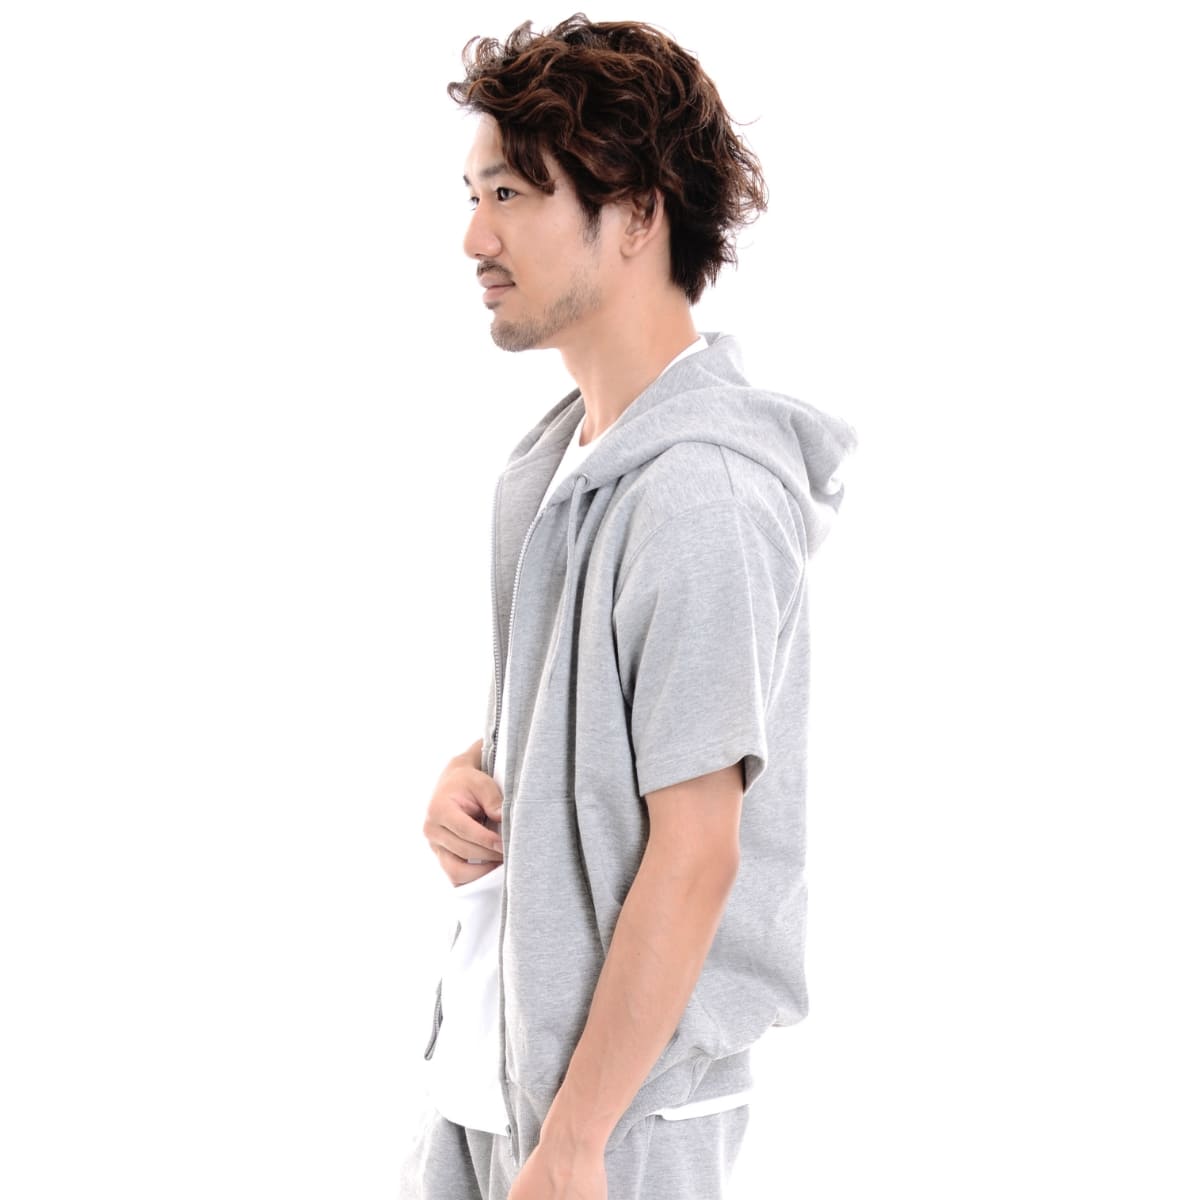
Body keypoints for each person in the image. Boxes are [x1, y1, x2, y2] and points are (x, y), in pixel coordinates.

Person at [400, 14, 857, 1199]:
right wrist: (477, 780)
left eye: (511, 194)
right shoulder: (559, 467)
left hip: (613, 1133)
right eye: (473, 194)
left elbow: (697, 852)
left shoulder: (699, 496)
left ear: (639, 212)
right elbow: (600, 760)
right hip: (493, 1087)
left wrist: (579, 1140)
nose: (474, 236)